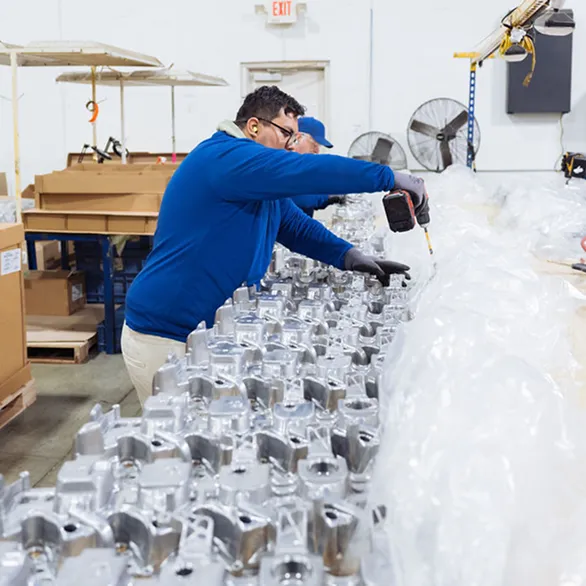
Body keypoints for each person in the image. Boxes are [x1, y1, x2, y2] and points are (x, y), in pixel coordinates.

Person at [122, 85, 429, 404]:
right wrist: (388, 177)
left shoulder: (250, 179)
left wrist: (349, 256)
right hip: (166, 337)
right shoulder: (225, 158)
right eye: (286, 134)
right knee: (182, 438)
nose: (290, 146)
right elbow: (306, 171)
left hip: (210, 334)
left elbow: (293, 225)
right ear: (254, 127)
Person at [290, 116, 347, 217]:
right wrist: (328, 195)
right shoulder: (284, 164)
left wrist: (333, 197)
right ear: (297, 138)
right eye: (314, 144)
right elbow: (301, 199)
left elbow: (312, 202)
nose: (317, 151)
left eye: (318, 146)